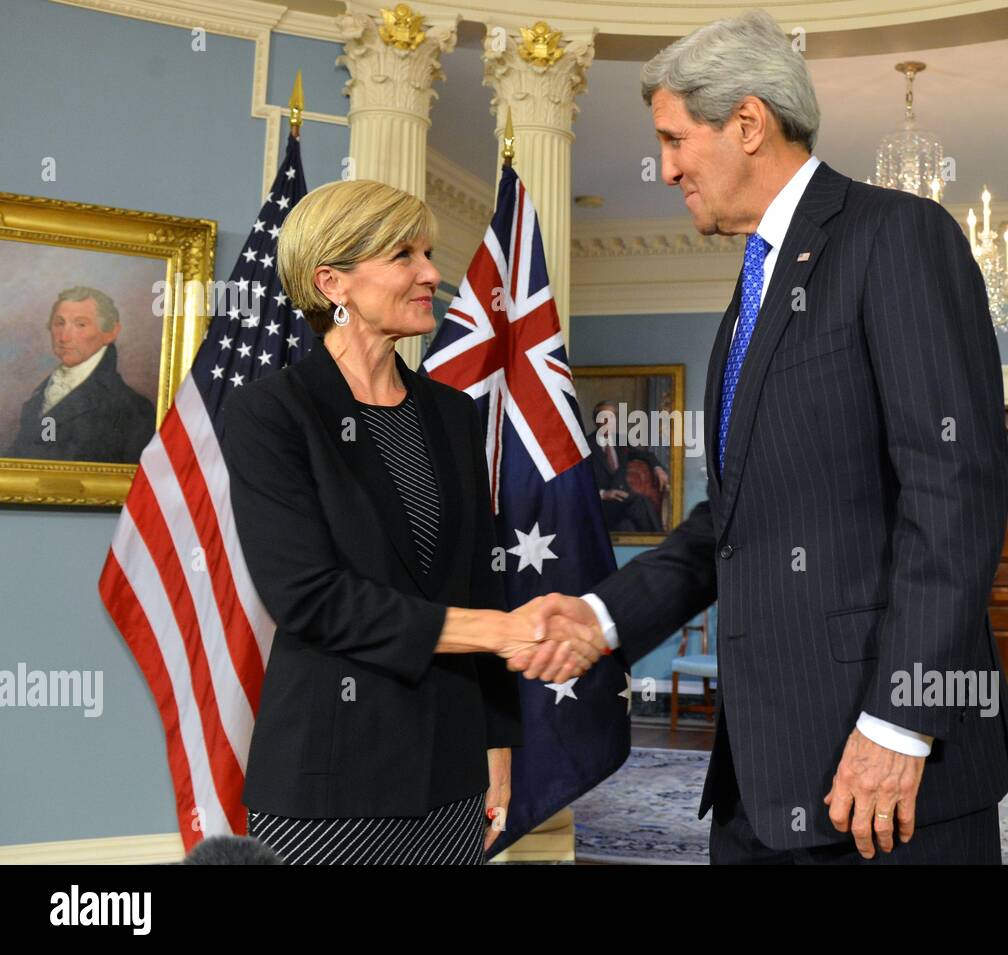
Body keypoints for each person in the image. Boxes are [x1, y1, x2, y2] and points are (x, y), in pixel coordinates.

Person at [535, 10, 1008, 864]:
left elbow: (955, 494)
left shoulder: (898, 237)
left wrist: (900, 723)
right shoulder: (755, 291)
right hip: (758, 782)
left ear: (749, 122)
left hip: (885, 774)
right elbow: (731, 523)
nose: (665, 167)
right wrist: (603, 614)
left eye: (675, 138)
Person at [221, 178, 605, 865]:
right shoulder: (271, 413)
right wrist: (504, 631)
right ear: (332, 281)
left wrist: (497, 745)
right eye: (404, 255)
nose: (432, 273)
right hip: (331, 779)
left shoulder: (455, 413)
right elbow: (311, 596)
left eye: (428, 252)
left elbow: (480, 582)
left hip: (453, 776)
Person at [6, 286, 155, 463]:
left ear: (110, 333)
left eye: (80, 324)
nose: (64, 337)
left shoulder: (134, 409)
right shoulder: (42, 392)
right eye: (59, 323)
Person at [588, 399, 668, 532]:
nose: (608, 422)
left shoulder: (621, 442)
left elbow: (647, 455)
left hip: (623, 503)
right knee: (641, 503)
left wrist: (658, 469)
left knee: (627, 527)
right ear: (596, 420)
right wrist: (603, 494)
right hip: (601, 505)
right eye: (604, 417)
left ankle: (656, 543)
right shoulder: (585, 445)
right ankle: (660, 541)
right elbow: (576, 482)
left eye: (612, 417)